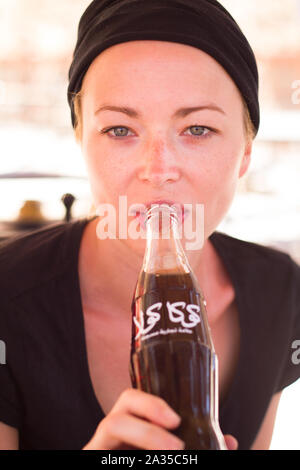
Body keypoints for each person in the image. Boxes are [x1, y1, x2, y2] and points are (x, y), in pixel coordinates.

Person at [0, 0, 299, 451]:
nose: (158, 169)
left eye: (198, 129)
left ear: (246, 154)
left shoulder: (282, 291)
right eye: (120, 130)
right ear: (81, 142)